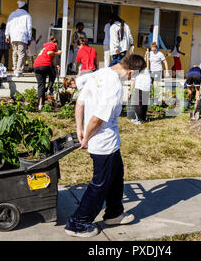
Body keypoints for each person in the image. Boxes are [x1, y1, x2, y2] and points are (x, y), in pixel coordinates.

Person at [64, 54, 146, 238]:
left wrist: (80, 129)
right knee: (100, 184)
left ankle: (114, 213)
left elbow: (80, 102)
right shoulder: (115, 86)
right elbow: (98, 119)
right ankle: (78, 223)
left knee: (116, 176)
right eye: (135, 75)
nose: (132, 79)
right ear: (130, 71)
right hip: (103, 143)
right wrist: (86, 139)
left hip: (106, 141)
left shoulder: (98, 74)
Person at [33, 37, 62, 111]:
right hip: (45, 65)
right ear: (56, 43)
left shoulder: (45, 47)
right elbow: (49, 53)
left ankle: (40, 105)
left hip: (36, 66)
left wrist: (55, 65)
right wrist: (57, 53)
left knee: (41, 85)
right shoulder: (52, 45)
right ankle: (49, 89)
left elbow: (46, 57)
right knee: (53, 74)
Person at [5, 0, 32, 77]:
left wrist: (7, 35)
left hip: (13, 37)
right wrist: (29, 38)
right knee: (21, 54)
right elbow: (29, 27)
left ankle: (15, 69)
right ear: (24, 7)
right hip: (22, 37)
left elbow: (8, 24)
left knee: (15, 53)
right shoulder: (27, 15)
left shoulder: (12, 14)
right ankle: (19, 71)